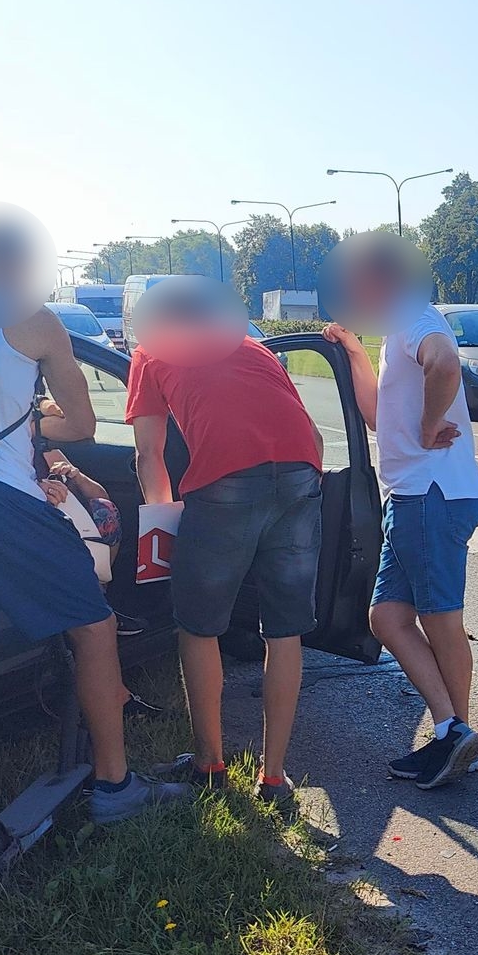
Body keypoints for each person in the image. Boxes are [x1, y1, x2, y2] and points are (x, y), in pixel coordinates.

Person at [0, 254, 189, 884]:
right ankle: (114, 785)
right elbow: (80, 424)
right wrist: (32, 415)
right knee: (95, 626)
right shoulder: (33, 321)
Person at [127, 278, 322, 806]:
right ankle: (275, 778)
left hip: (226, 485)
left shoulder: (149, 354)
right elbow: (314, 434)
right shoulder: (252, 346)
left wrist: (161, 527)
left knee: (198, 627)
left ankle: (210, 765)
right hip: (302, 476)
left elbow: (150, 454)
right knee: (284, 633)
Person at [322, 251, 478, 790]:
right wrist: (352, 353)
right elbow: (376, 416)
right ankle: (452, 732)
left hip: (429, 495)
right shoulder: (397, 330)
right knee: (387, 618)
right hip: (412, 497)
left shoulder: (417, 319)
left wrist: (430, 422)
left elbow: (446, 363)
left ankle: (456, 737)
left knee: (441, 621)